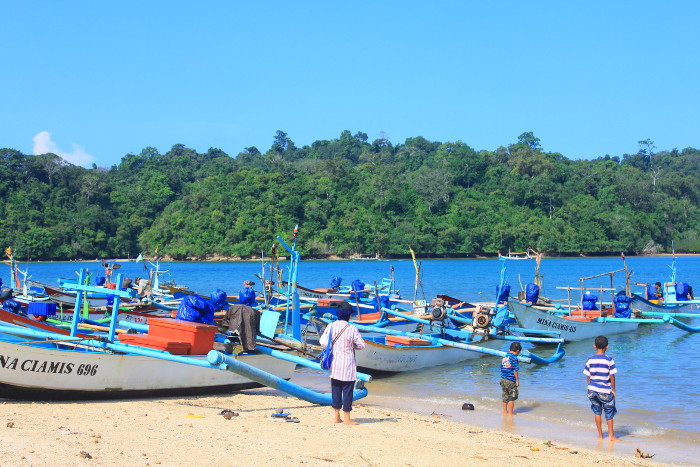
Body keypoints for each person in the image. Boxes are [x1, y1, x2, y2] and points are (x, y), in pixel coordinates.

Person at [319, 302, 365, 425]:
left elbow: (322, 342)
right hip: (348, 364)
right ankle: (347, 418)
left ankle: (336, 416)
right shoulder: (351, 328)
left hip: (334, 363)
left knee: (336, 389)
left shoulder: (331, 326)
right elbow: (361, 345)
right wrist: (351, 346)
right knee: (348, 390)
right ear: (349, 315)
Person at [583, 335, 619, 441]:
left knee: (597, 411)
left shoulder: (590, 359)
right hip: (605, 391)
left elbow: (587, 375)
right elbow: (612, 376)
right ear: (607, 347)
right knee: (609, 411)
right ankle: (611, 436)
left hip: (592, 389)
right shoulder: (609, 360)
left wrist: (590, 385)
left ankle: (600, 435)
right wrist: (613, 390)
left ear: (594, 346)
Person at [500, 341, 521, 415]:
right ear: (518, 351)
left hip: (502, 379)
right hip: (510, 380)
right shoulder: (514, 358)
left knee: (505, 395)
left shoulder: (505, 357)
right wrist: (517, 380)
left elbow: (502, 367)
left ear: (510, 349)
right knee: (511, 397)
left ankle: (505, 411)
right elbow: (515, 370)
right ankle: (511, 413)